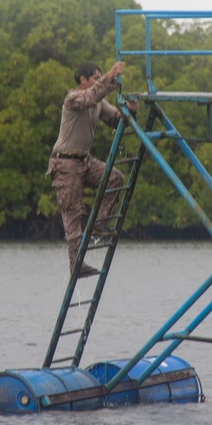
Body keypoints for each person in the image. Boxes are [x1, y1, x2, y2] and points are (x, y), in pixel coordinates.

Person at [47, 61, 138, 277]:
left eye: (99, 77)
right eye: (95, 78)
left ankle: (100, 221)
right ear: (83, 80)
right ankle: (76, 265)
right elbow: (91, 97)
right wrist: (109, 78)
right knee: (73, 214)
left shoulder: (98, 102)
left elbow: (117, 120)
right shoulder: (73, 98)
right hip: (65, 163)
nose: (98, 81)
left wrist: (130, 111)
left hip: (84, 162)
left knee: (115, 178)